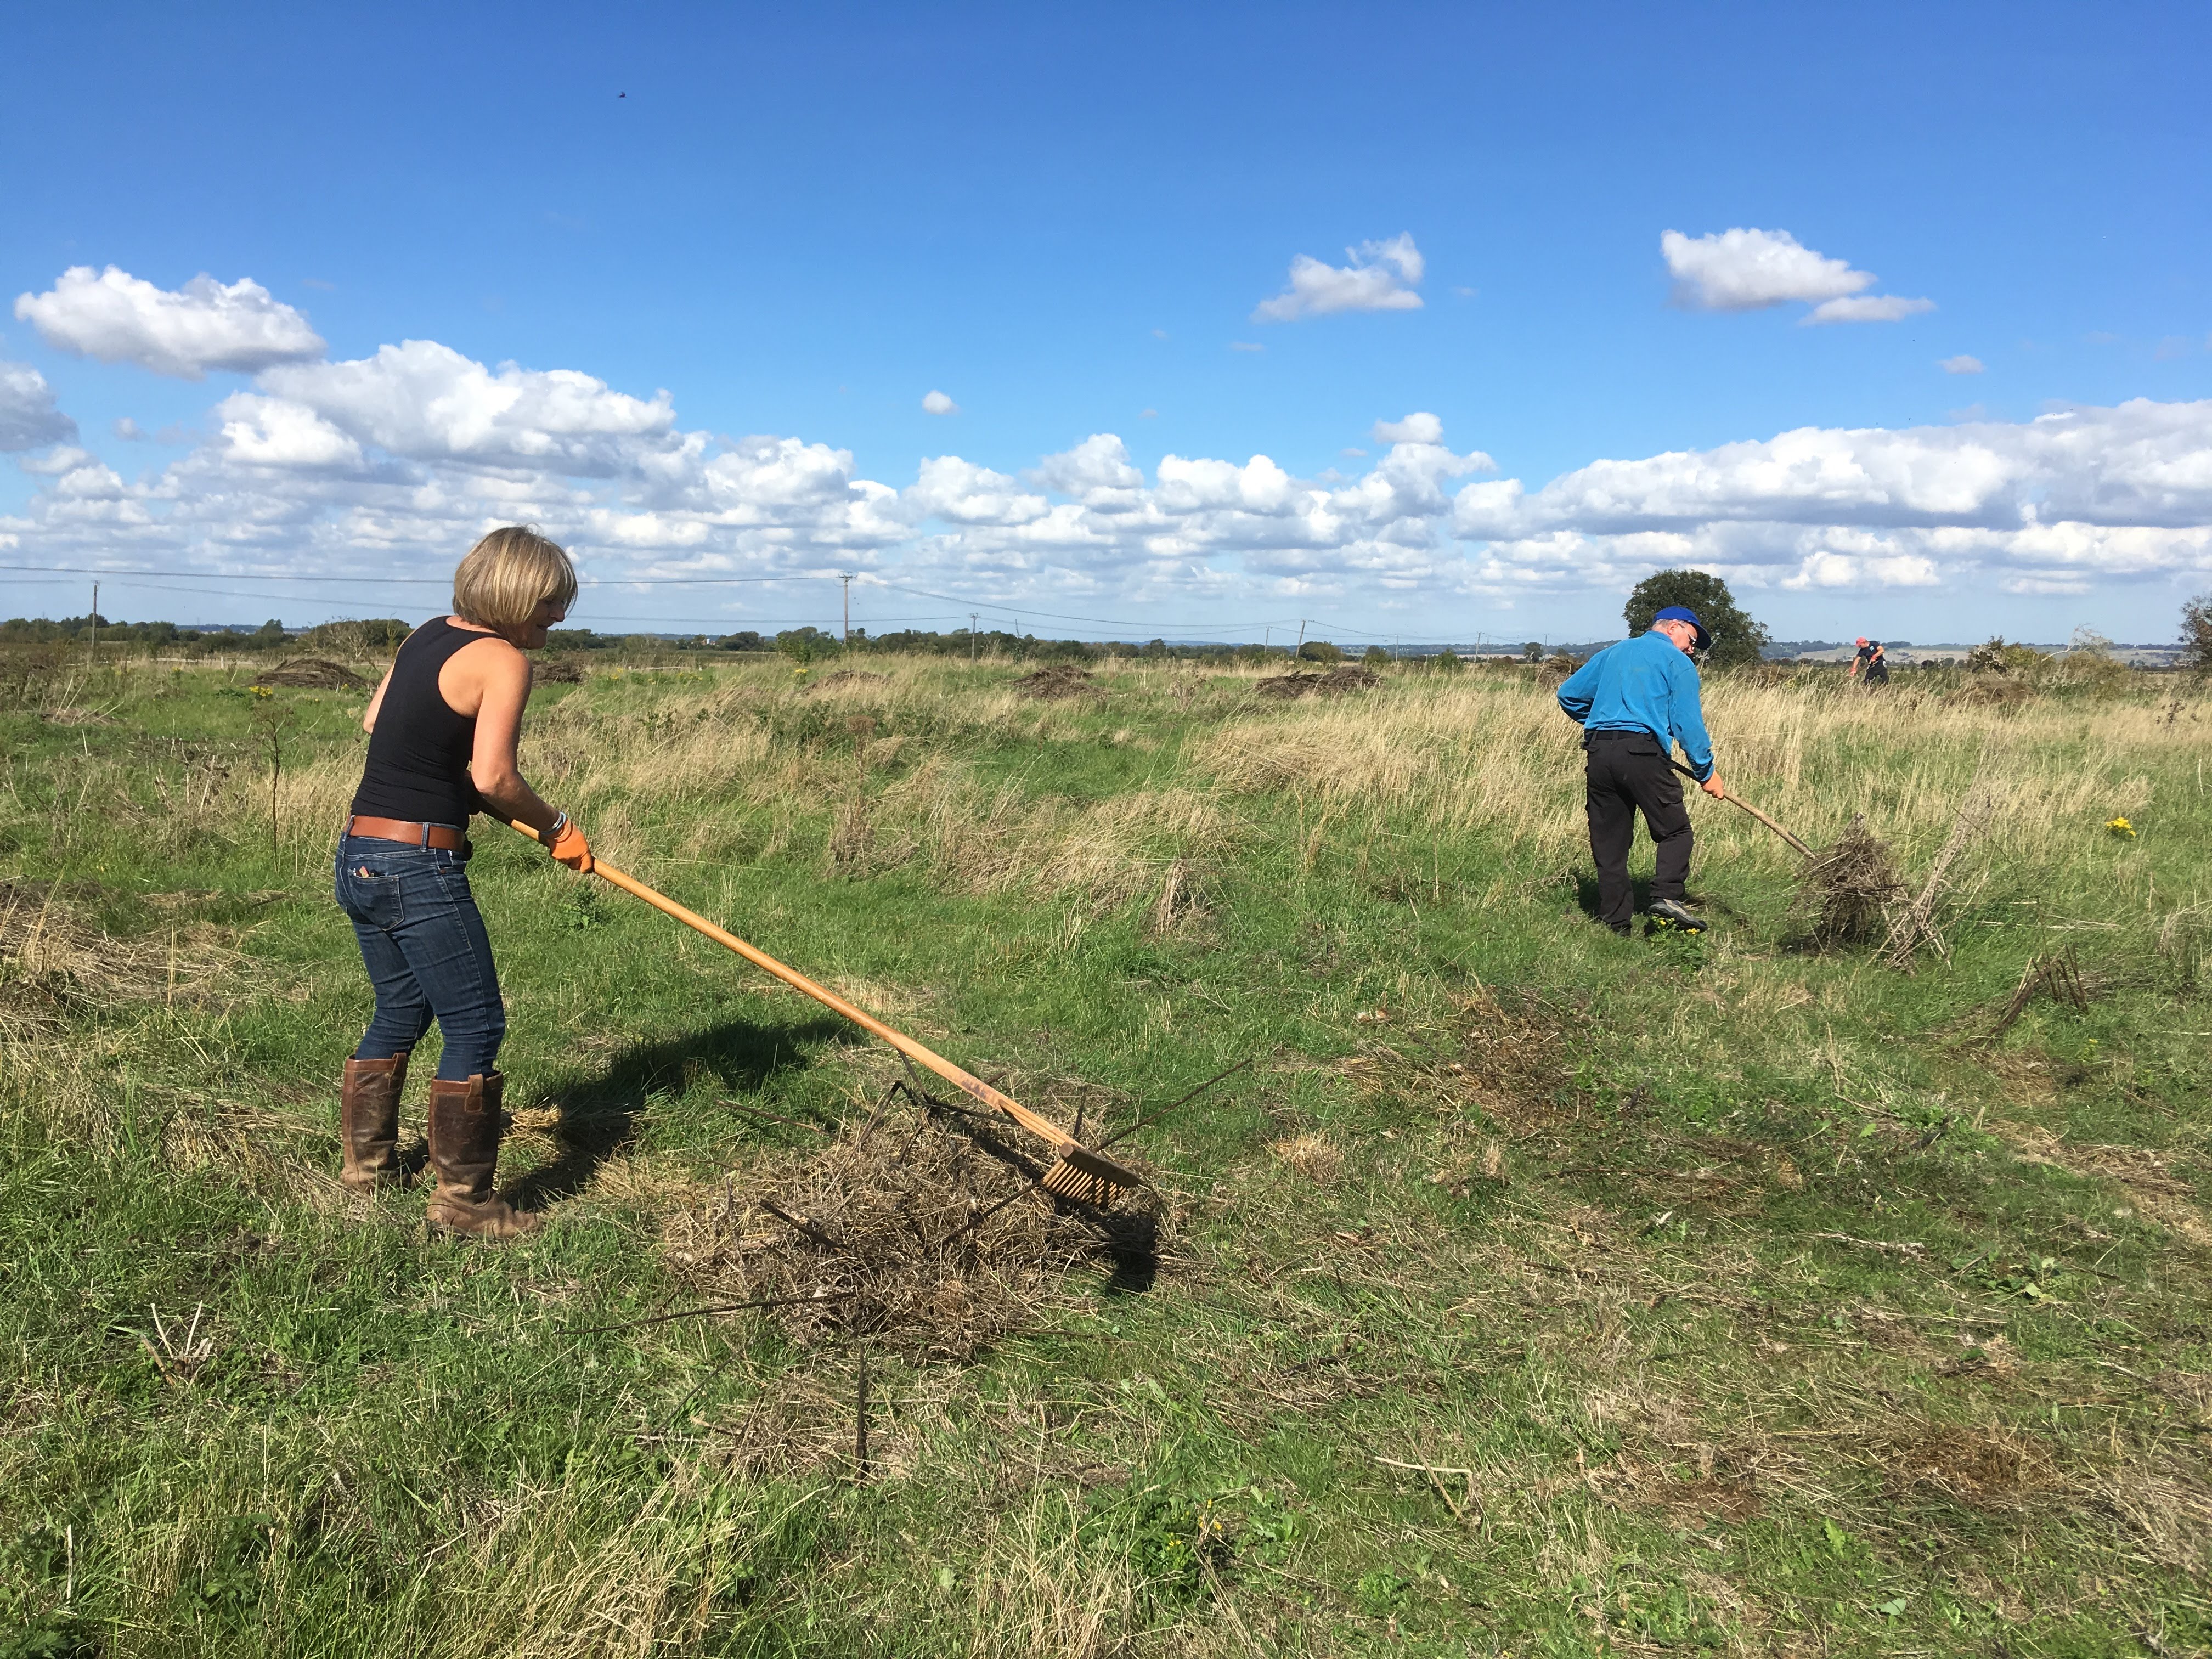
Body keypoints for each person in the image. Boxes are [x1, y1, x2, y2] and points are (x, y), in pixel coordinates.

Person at [334, 527, 593, 1239]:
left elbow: (375, 721)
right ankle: (464, 1206)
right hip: (418, 863)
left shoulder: (425, 636)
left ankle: (367, 1172)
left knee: (401, 1009)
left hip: (360, 852)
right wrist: (558, 829)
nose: (559, 618)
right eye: (549, 603)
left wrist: (448, 777)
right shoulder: (502, 659)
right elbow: (495, 777)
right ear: (515, 596)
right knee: (477, 1024)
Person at [1555, 606, 1726, 935]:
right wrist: (1706, 772)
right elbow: (1688, 724)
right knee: (1674, 831)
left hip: (1599, 752)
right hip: (1643, 753)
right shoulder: (1678, 663)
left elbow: (1569, 695)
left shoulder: (1613, 652)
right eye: (1692, 639)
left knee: (1610, 841)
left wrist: (1602, 722)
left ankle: (1616, 923)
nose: (1693, 648)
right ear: (1674, 627)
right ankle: (1667, 897)